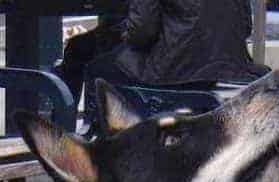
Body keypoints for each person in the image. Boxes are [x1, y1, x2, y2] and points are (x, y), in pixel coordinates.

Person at [83, 0, 268, 133]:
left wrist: (124, 32)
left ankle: (96, 145)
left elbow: (142, 32)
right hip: (228, 66)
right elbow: (245, 25)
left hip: (175, 70)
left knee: (96, 69)